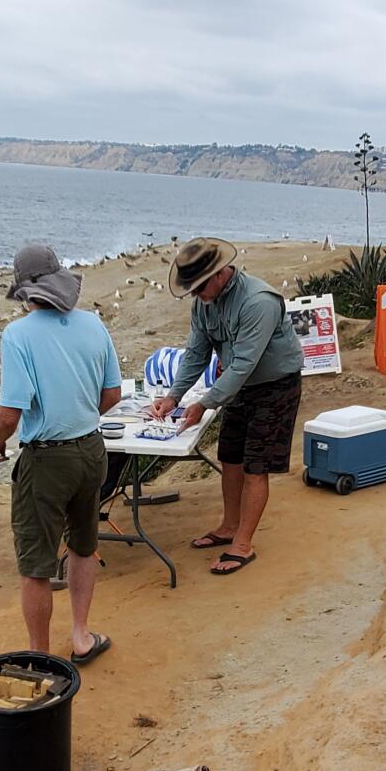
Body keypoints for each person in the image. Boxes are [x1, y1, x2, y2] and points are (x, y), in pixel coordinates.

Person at [0, 245, 121, 663]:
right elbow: (113, 394)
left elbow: (10, 413)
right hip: (91, 451)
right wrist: (80, 417)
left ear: (25, 291)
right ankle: (81, 637)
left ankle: (41, 659)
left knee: (36, 564)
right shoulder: (93, 324)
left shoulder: (18, 335)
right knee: (84, 546)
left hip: (45, 460)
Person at [151, 238, 304, 576]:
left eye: (199, 286)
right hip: (238, 387)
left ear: (220, 273)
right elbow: (196, 354)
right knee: (230, 457)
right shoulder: (203, 304)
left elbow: (244, 363)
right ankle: (228, 526)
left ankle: (243, 544)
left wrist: (205, 403)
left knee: (256, 465)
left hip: (274, 386)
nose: (196, 295)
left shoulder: (258, 302)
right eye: (191, 288)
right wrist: (174, 396)